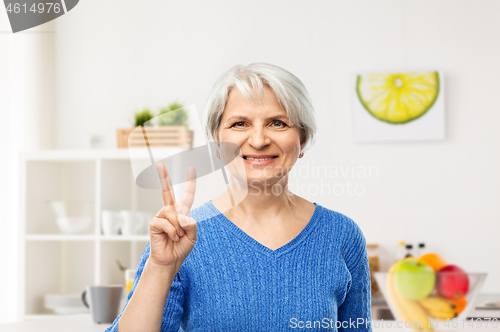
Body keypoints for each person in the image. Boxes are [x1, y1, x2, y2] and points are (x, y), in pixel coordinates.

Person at [106, 63, 372, 332]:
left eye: (277, 123)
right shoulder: (180, 234)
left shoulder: (342, 235)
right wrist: (161, 268)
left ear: (301, 139)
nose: (258, 140)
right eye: (239, 123)